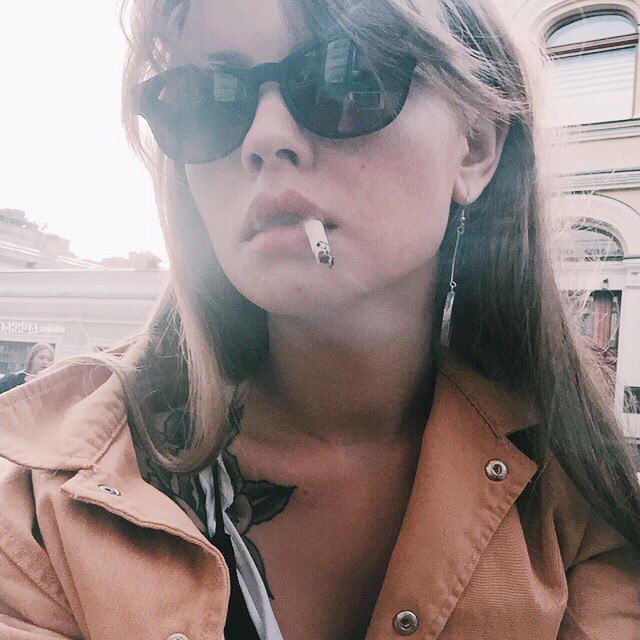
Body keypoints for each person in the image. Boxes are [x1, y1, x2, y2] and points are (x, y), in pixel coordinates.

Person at [0, 0, 639, 638]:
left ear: (474, 147)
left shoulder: (577, 507)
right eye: (208, 97)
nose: (264, 138)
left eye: (347, 75)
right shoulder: (41, 504)